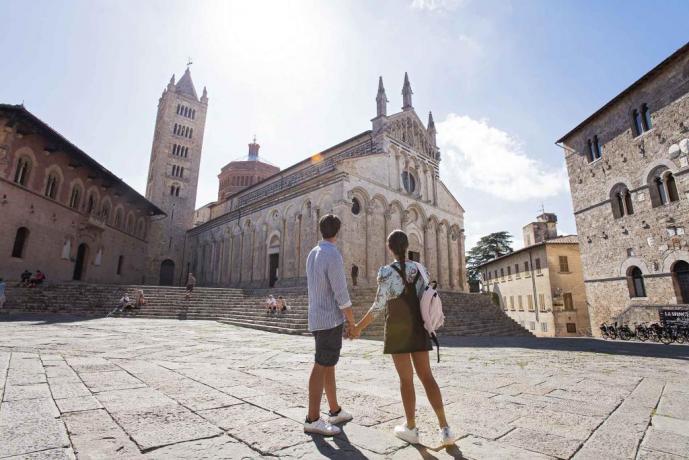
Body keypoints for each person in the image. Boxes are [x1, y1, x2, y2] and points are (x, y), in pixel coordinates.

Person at [351, 230, 455, 447]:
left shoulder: (386, 273)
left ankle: (411, 427)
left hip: (398, 329)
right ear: (407, 246)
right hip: (418, 327)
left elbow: (378, 306)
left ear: (390, 248)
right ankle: (445, 429)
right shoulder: (420, 269)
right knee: (427, 377)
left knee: (406, 380)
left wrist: (358, 328)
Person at [303, 214, 354, 436]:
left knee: (328, 363)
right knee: (321, 364)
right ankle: (312, 418)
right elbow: (341, 292)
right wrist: (352, 321)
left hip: (317, 317)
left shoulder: (313, 253)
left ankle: (334, 410)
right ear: (338, 232)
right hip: (329, 319)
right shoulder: (332, 254)